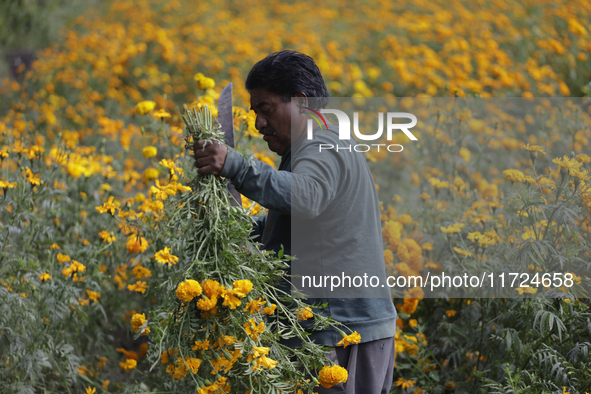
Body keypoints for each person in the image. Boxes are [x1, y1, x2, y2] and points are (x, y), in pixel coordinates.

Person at [193, 50, 397, 394]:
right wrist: (236, 228)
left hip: (342, 333)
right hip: (339, 328)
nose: (258, 123)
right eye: (255, 112)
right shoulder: (314, 148)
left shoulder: (321, 145)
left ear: (301, 103)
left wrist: (236, 166)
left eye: (266, 109)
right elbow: (304, 224)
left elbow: (305, 197)